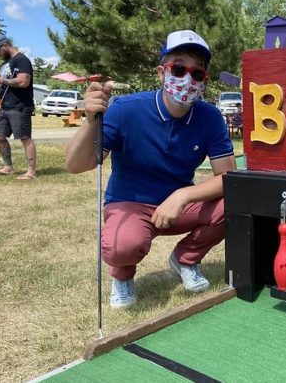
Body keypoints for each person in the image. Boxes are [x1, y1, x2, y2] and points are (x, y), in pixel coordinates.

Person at [66, 30, 236, 308]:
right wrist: (89, 121)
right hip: (129, 203)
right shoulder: (125, 110)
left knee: (236, 203)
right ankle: (122, 276)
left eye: (196, 73)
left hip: (179, 207)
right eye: (178, 69)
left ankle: (185, 259)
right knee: (122, 245)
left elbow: (228, 177)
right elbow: (76, 165)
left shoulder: (210, 117)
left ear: (204, 80)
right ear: (161, 72)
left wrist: (182, 196)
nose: (187, 79)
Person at [0, 34, 37, 180]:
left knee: (24, 137)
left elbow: (23, 82)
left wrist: (1, 80)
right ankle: (8, 167)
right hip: (5, 106)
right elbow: (5, 85)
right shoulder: (5, 63)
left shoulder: (21, 60)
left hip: (20, 106)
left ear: (5, 45)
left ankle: (31, 172)